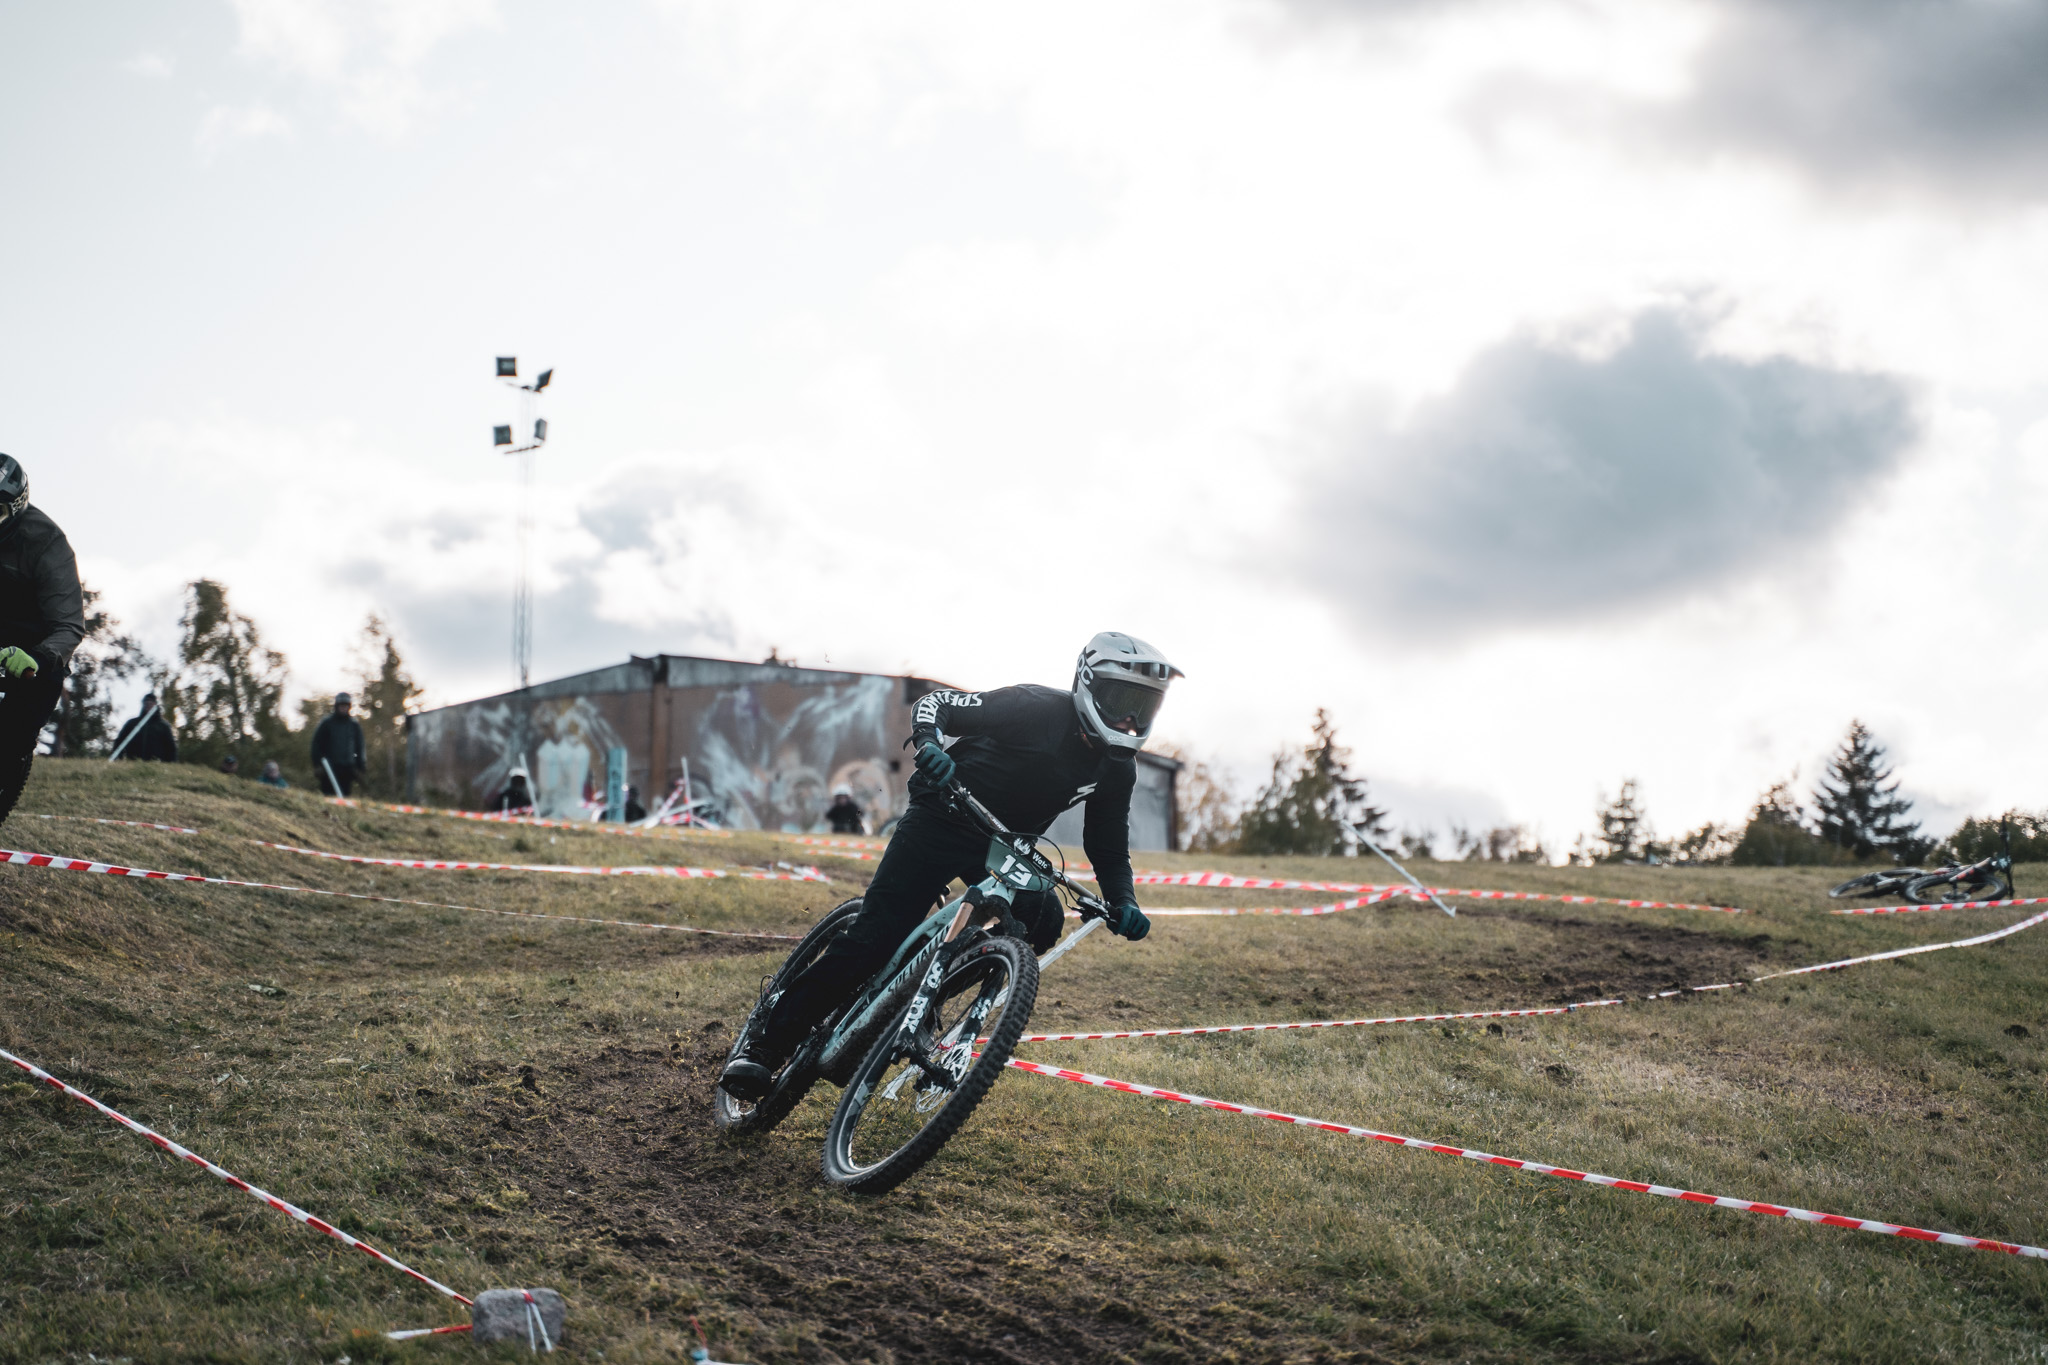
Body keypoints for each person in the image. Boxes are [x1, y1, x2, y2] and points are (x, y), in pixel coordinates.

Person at [720, 631, 1180, 1100]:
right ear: (1088, 684)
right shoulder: (1034, 707)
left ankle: (922, 1000)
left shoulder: (1118, 767)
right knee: (875, 937)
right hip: (942, 817)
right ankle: (765, 1047)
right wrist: (929, 743)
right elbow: (937, 703)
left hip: (1004, 846)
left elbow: (1107, 845)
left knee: (1043, 919)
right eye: (1122, 700)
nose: (1130, 718)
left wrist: (1123, 900)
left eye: (1143, 707)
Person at [0, 456, 86, 826]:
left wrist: (40, 656)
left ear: (16, 508)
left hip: (35, 650)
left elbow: (69, 626)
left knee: (13, 734)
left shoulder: (48, 543)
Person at [311, 692, 366, 796]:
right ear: (336, 706)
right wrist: (317, 764)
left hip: (347, 769)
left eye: (345, 706)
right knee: (328, 795)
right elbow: (316, 744)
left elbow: (359, 747)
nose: (343, 708)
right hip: (328, 768)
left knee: (345, 796)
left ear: (349, 707)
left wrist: (360, 767)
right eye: (341, 706)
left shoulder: (354, 725)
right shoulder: (327, 723)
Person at [111, 693, 179, 763]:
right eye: (146, 703)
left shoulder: (163, 726)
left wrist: (170, 764)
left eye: (151, 703)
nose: (148, 705)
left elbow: (171, 748)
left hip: (157, 765)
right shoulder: (132, 724)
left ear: (155, 705)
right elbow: (119, 742)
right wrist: (118, 760)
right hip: (133, 764)